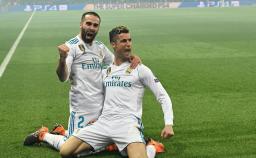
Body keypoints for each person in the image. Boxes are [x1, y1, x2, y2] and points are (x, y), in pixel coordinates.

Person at [23, 11, 139, 151]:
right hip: (81, 109)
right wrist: (62, 59)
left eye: (95, 25)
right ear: (81, 24)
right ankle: (44, 135)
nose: (91, 27)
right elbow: (62, 77)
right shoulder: (71, 46)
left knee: (99, 142)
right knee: (74, 151)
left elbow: (115, 63)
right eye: (88, 23)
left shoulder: (100, 47)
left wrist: (131, 58)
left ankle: (62, 131)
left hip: (102, 108)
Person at [59, 26, 174, 158]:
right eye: (123, 41)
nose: (128, 44)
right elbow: (100, 96)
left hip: (128, 124)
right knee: (65, 151)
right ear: (113, 44)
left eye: (129, 40)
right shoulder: (106, 71)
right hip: (103, 123)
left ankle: (151, 147)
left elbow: (162, 96)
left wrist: (169, 123)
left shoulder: (140, 69)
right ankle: (111, 142)